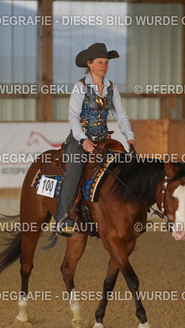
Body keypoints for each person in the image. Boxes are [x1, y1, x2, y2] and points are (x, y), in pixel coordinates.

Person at [55, 42, 136, 236]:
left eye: (106, 62)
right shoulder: (80, 87)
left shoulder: (111, 87)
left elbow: (121, 116)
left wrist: (129, 137)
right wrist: (83, 140)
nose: (104, 65)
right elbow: (73, 117)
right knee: (74, 167)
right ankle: (63, 217)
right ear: (89, 64)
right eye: (100, 62)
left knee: (123, 165)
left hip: (103, 138)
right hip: (79, 138)